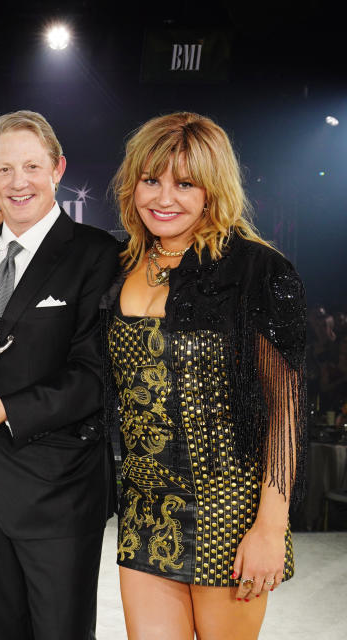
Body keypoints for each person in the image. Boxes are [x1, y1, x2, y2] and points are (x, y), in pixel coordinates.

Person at [103, 112, 305, 639]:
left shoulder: (258, 270)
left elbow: (285, 412)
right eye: (151, 180)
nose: (163, 197)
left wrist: (270, 527)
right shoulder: (121, 264)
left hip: (229, 508)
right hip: (145, 508)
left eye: (184, 183)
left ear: (212, 190)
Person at [0, 109, 119, 639]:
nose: (19, 182)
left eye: (32, 167)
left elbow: (94, 375)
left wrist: (6, 411)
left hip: (59, 490)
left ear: (58, 168)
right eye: (5, 169)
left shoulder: (97, 254)